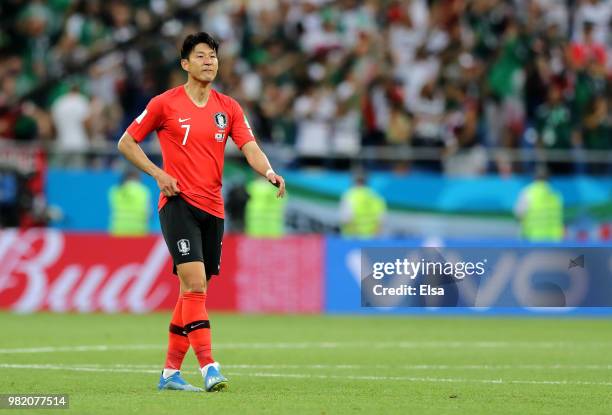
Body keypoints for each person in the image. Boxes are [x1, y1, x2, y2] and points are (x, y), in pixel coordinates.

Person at [117, 32, 286, 392]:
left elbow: (250, 146)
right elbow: (126, 142)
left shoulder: (230, 107)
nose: (209, 61)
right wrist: (159, 174)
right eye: (201, 56)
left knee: (192, 293)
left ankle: (169, 374)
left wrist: (269, 171)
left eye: (213, 56)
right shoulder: (165, 104)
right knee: (194, 286)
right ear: (185, 64)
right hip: (178, 205)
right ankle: (209, 366)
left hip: (214, 208)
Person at [514, 166, 563, 242]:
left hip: (533, 241)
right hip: (554, 242)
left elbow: (519, 214)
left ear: (534, 177)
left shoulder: (528, 192)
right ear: (548, 178)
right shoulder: (556, 194)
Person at [339, 171, 386, 238]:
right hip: (371, 237)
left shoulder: (349, 195)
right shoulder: (375, 195)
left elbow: (345, 218)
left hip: (352, 238)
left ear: (353, 181)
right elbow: (381, 218)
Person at [108, 170, 151, 236]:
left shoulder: (115, 191)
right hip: (139, 230)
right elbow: (148, 213)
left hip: (118, 229)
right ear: (137, 178)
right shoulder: (143, 191)